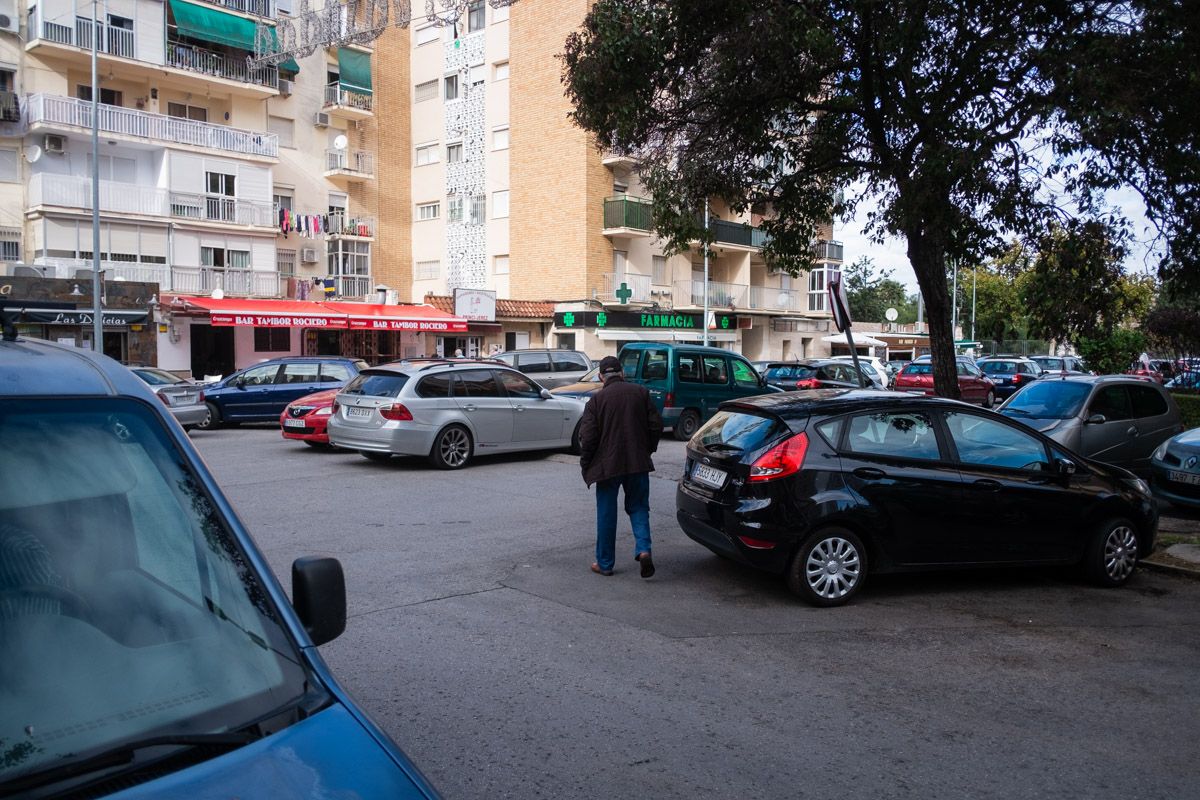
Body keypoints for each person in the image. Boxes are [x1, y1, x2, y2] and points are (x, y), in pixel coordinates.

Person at [578, 355, 663, 578]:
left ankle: (604, 563)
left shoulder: (596, 401)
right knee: (639, 507)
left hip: (607, 466)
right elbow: (656, 425)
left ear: (600, 376)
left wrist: (586, 465)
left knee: (606, 513)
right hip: (637, 462)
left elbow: (588, 438)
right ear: (622, 373)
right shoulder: (641, 393)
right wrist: (647, 450)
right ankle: (644, 551)